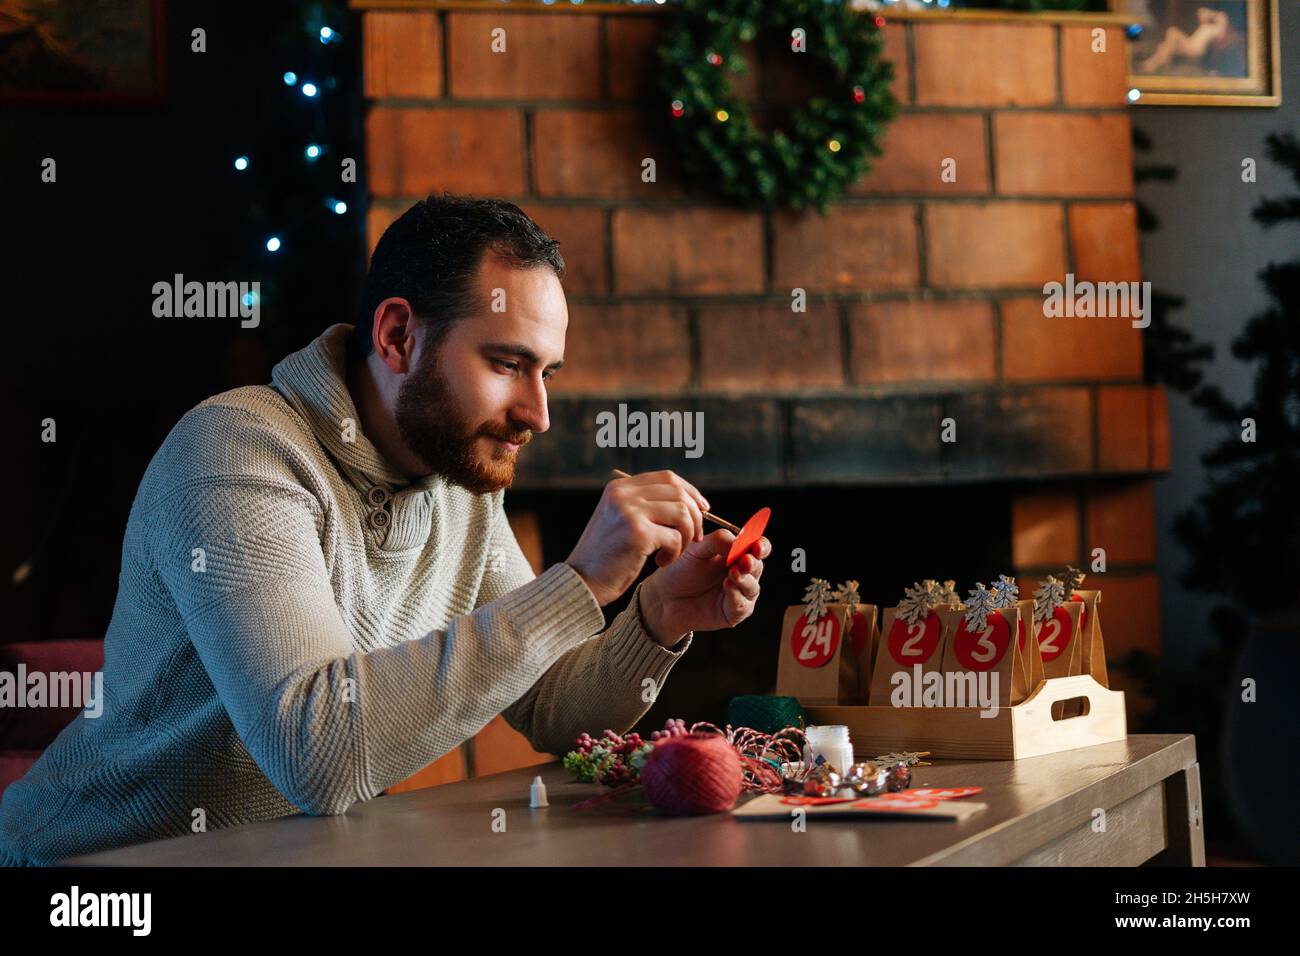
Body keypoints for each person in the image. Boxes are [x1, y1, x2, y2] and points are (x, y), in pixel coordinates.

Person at [0, 193, 769, 865]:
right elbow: (319, 754)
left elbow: (557, 711)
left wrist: (656, 618)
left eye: (548, 373)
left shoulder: (457, 479)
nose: (538, 413)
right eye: (508, 363)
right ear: (399, 337)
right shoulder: (237, 452)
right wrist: (578, 583)